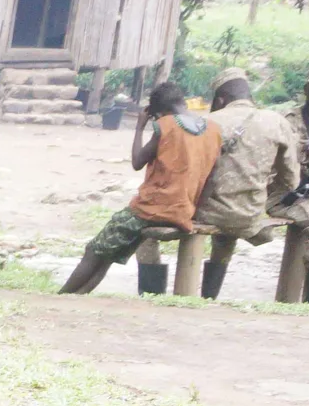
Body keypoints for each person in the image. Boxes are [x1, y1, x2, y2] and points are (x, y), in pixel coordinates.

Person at [57, 80, 223, 295]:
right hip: (184, 210)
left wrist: (139, 127)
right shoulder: (213, 130)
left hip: (151, 209)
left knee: (94, 251)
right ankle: (77, 297)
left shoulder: (166, 125)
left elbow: (137, 162)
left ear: (160, 112)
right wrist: (194, 211)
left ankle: (61, 297)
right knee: (107, 255)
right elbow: (212, 177)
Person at [191, 68, 305, 299]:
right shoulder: (276, 121)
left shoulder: (205, 122)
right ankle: (209, 296)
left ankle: (201, 296)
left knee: (220, 229)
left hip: (207, 212)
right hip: (249, 213)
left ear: (220, 99)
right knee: (227, 235)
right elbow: (291, 180)